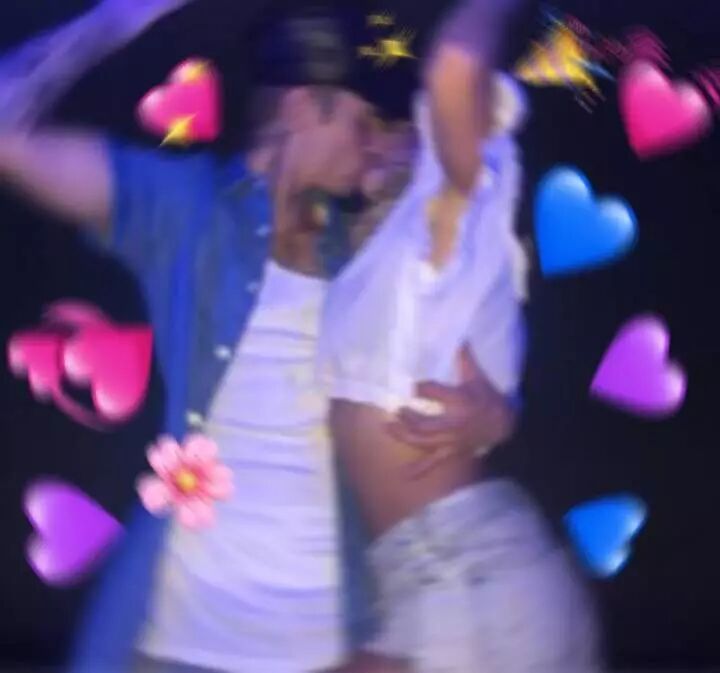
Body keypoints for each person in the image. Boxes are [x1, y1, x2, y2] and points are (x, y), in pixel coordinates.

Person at [0, 3, 514, 672]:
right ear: (302, 107)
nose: (371, 146)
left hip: (337, 645)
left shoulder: (368, 247)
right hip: (176, 645)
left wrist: (496, 413)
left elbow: (466, 354)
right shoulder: (186, 208)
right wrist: (117, 18)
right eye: (359, 122)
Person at [319, 1, 602, 671]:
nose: (369, 146)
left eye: (386, 129)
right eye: (362, 130)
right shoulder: (399, 260)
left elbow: (453, 68)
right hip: (440, 578)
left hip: (466, 577)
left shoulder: (446, 213)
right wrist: (502, 416)